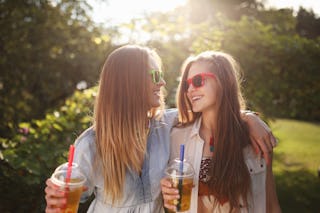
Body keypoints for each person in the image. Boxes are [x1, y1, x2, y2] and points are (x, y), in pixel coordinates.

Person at [44, 45, 277, 213]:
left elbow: (214, 110)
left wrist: (247, 118)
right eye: (155, 75)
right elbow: (65, 199)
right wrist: (55, 197)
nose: (163, 83)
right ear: (130, 83)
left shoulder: (166, 126)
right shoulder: (91, 144)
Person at [161, 51, 281, 212]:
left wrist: (249, 118)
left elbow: (271, 204)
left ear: (224, 81)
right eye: (186, 84)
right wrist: (166, 194)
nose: (189, 90)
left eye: (198, 81)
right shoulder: (177, 137)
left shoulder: (255, 137)